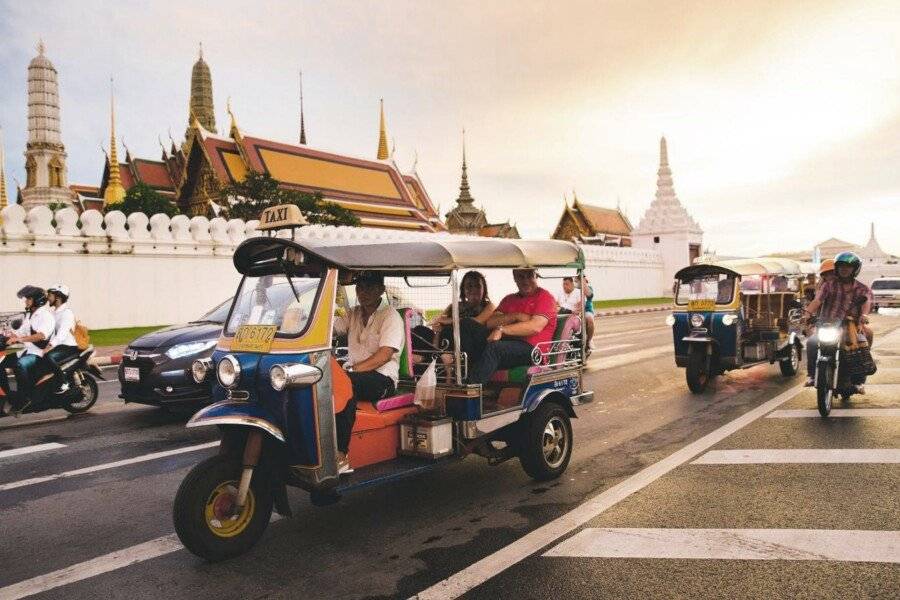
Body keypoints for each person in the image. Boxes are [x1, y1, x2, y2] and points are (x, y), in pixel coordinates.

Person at [332, 272, 404, 474]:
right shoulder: (354, 313)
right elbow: (332, 330)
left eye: (370, 287)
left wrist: (351, 370)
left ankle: (340, 454)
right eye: (360, 287)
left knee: (344, 384)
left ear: (381, 289)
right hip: (358, 376)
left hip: (383, 379)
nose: (363, 292)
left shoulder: (390, 315)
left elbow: (385, 355)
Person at [467, 268, 557, 384]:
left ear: (536, 276)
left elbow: (535, 327)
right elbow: (491, 322)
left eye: (529, 276)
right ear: (514, 278)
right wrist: (516, 316)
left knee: (495, 348)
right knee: (470, 328)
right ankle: (458, 378)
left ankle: (472, 390)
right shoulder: (509, 299)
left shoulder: (544, 297)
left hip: (533, 350)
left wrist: (502, 329)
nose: (525, 281)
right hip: (510, 346)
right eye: (521, 277)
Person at [803, 252, 873, 391]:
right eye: (841, 266)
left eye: (848, 266)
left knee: (861, 345)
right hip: (828, 324)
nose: (844, 269)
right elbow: (817, 301)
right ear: (837, 268)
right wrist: (807, 313)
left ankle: (859, 381)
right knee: (811, 343)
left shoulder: (862, 288)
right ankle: (812, 375)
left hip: (851, 326)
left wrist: (864, 315)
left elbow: (866, 303)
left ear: (855, 269)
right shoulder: (828, 286)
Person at [421, 271, 495, 370]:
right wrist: (438, 326)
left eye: (477, 286)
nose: (473, 290)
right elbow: (437, 321)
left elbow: (477, 321)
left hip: (472, 348)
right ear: (463, 290)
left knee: (465, 324)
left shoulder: (489, 306)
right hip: (447, 343)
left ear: (484, 289)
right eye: (469, 286)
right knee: (420, 330)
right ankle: (426, 359)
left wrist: (450, 320)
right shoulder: (454, 306)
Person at [0, 286, 56, 414]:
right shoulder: (30, 316)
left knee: (20, 365)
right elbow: (18, 333)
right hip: (25, 350)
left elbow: (41, 335)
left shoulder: (45, 316)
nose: (26, 301)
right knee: (1, 360)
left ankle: (24, 398)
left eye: (28, 299)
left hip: (38, 353)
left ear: (38, 300)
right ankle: (7, 395)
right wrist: (7, 336)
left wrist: (20, 340)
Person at [45, 284, 80, 394]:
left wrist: (49, 346)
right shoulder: (54, 313)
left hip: (68, 347)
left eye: (50, 296)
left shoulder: (66, 313)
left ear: (58, 298)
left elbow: (61, 335)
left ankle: (64, 382)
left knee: (45, 356)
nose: (48, 298)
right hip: (59, 346)